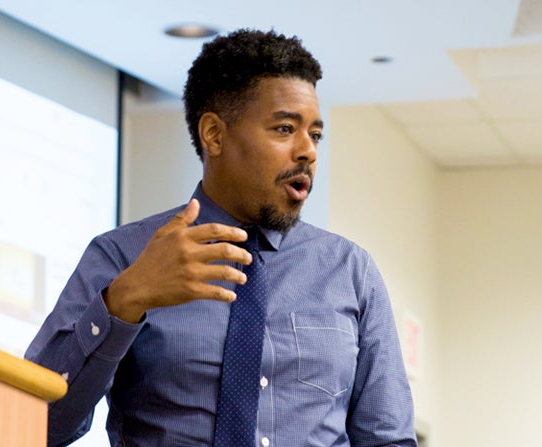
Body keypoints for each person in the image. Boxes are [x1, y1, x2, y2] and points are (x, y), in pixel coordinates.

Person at [26, 28, 418, 447]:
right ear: (214, 134)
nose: (308, 151)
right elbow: (36, 424)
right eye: (285, 129)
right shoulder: (122, 256)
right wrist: (124, 302)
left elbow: (387, 439)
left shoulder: (350, 271)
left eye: (315, 134)